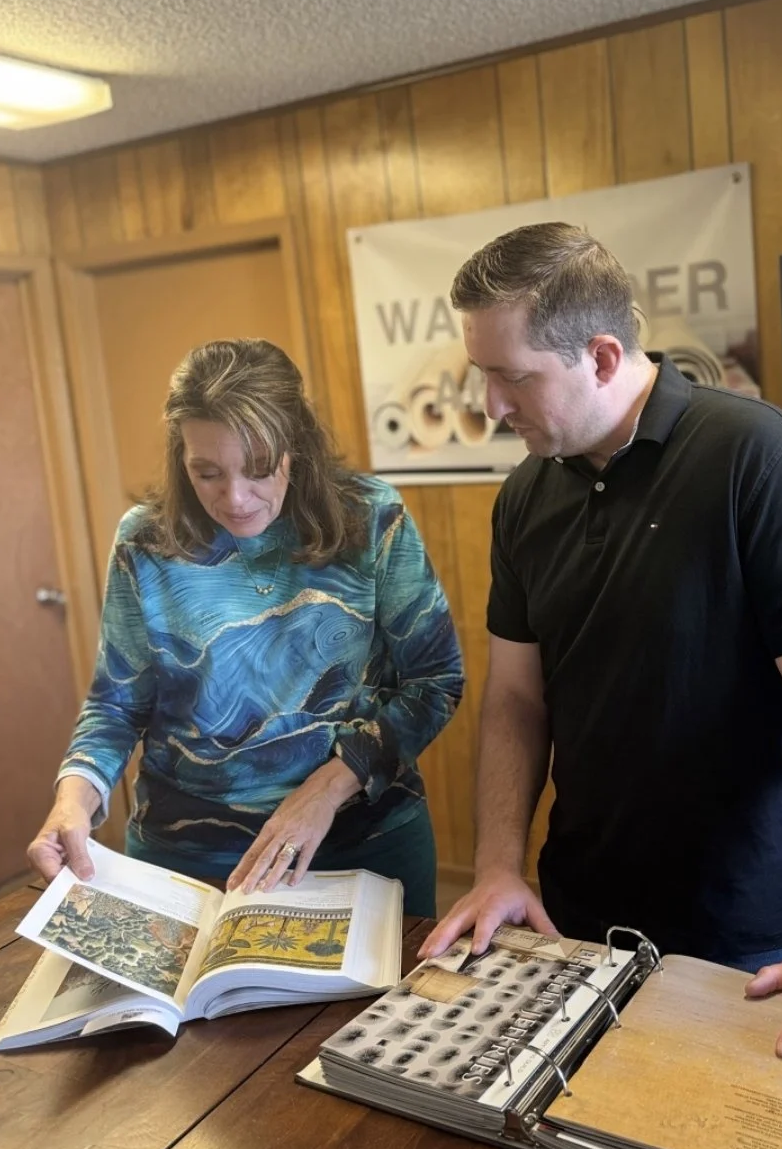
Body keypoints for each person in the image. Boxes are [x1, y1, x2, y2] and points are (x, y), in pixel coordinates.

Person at [421, 222, 782, 1102]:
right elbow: (516, 702)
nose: (490, 404)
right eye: (480, 373)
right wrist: (497, 863)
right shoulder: (526, 493)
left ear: (603, 355)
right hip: (581, 922)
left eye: (512, 375)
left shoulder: (764, 464)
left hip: (751, 938)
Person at [28, 339, 463, 915]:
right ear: (180, 455)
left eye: (258, 469)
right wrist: (75, 799)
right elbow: (117, 704)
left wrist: (326, 789)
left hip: (361, 843)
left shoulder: (372, 518)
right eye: (206, 472)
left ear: (296, 447)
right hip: (189, 857)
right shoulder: (146, 541)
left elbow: (435, 682)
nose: (234, 499)